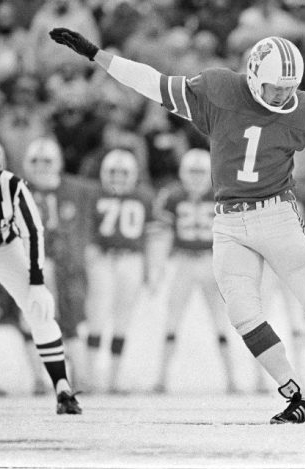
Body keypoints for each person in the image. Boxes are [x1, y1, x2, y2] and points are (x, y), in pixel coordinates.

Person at [49, 28, 305, 423]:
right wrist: (96, 55)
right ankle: (298, 394)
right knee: (243, 314)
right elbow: (152, 83)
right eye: (276, 87)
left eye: (289, 87)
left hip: (276, 214)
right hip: (228, 221)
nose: (283, 95)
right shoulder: (218, 89)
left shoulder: (303, 110)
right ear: (253, 75)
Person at [0, 139, 81, 414]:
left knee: (40, 309)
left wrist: (37, 282)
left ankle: (62, 387)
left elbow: (33, 232)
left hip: (3, 249)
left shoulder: (12, 186)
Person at [152, 148, 237, 394]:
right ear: (182, 172)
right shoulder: (172, 195)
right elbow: (163, 235)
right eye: (192, 172)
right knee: (172, 319)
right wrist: (158, 266)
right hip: (183, 261)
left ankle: (231, 379)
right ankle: (161, 377)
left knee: (222, 321)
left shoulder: (221, 193)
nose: (197, 177)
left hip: (212, 262)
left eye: (201, 172)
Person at [22, 136, 98, 391]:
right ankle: (39, 380)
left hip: (69, 266)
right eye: (35, 160)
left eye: (47, 160)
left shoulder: (80, 189)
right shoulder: (15, 189)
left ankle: (82, 377)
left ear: (59, 162)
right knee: (33, 320)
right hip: (31, 267)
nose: (41, 165)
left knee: (72, 322)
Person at [85, 148, 155, 393]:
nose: (117, 177)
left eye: (123, 172)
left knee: (122, 319)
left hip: (132, 260)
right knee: (97, 315)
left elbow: (150, 237)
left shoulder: (144, 197)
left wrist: (150, 269)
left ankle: (113, 378)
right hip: (103, 259)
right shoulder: (94, 195)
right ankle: (91, 376)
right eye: (112, 172)